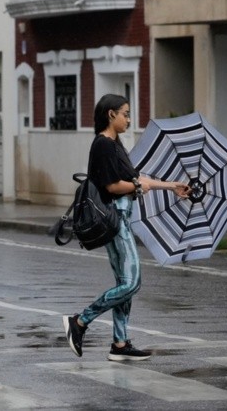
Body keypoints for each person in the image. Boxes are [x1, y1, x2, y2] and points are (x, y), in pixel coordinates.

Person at [63, 94, 190, 361]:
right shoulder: (103, 145)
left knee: (124, 283)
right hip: (115, 221)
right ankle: (80, 321)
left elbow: (135, 178)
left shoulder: (114, 144)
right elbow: (112, 186)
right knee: (132, 283)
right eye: (125, 114)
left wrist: (171, 186)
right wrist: (136, 186)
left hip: (121, 217)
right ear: (111, 114)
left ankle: (120, 344)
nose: (129, 119)